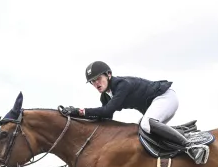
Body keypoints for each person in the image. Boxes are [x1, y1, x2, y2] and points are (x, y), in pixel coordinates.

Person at [62, 60, 191, 149]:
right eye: (92, 82)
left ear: (109, 75)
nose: (96, 84)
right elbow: (104, 119)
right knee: (142, 129)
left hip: (165, 97)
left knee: (145, 124)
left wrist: (79, 111)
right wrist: (75, 119)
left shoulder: (122, 85)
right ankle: (180, 132)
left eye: (98, 79)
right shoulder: (105, 96)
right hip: (157, 105)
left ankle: (191, 147)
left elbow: (106, 111)